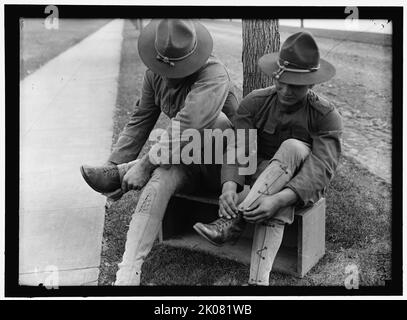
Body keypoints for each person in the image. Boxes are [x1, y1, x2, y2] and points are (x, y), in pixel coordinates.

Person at [80, 19, 238, 285]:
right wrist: (113, 163)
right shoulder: (154, 73)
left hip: (222, 169)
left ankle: (125, 171)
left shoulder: (214, 74)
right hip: (183, 159)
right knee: (161, 175)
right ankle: (128, 272)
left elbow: (189, 125)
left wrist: (144, 163)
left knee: (218, 122)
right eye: (160, 64)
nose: (164, 72)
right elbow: (141, 118)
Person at [193, 31, 343, 286]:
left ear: (312, 84)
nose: (284, 90)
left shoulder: (325, 115)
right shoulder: (255, 102)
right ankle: (258, 283)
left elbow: (320, 169)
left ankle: (232, 223)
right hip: (260, 180)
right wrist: (229, 187)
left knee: (294, 147)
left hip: (300, 188)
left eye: (295, 85)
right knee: (271, 199)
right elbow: (240, 148)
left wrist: (279, 199)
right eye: (280, 81)